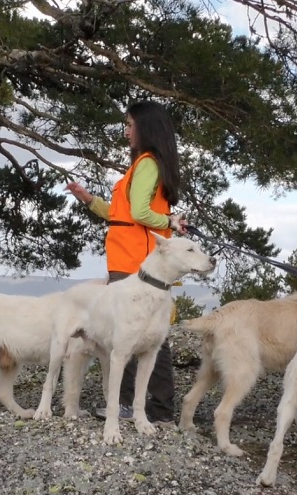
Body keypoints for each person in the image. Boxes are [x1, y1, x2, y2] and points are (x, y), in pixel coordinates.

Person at [65, 100, 187, 425]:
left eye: (130, 124)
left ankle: (152, 410)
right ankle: (152, 409)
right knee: (140, 333)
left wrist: (169, 221)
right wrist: (89, 200)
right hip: (129, 258)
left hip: (136, 261)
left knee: (139, 335)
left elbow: (139, 214)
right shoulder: (142, 165)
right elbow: (122, 214)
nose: (126, 131)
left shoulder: (146, 164)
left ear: (145, 127)